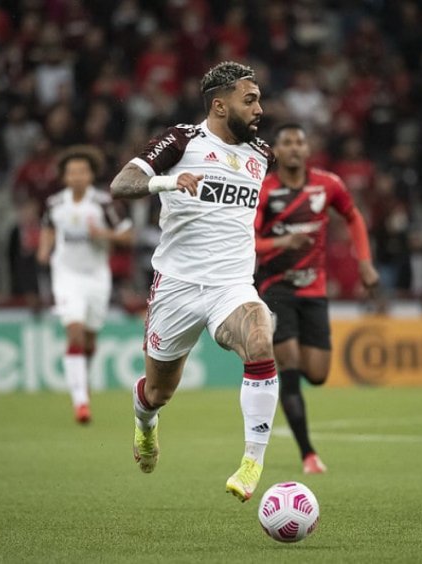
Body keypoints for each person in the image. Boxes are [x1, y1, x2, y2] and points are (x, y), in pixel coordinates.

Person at [109, 61, 279, 503]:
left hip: (232, 286)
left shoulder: (262, 154)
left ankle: (252, 461)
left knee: (260, 340)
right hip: (178, 286)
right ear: (220, 105)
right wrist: (167, 183)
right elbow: (122, 184)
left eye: (258, 98)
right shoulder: (182, 139)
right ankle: (145, 422)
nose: (259, 107)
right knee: (158, 392)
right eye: (250, 99)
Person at [254, 123, 379, 474]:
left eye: (299, 142)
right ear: (276, 150)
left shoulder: (328, 185)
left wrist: (365, 263)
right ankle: (308, 454)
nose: (294, 148)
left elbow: (353, 218)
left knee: (319, 374)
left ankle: (291, 383)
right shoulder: (264, 191)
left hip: (314, 291)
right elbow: (249, 242)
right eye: (287, 142)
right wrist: (281, 243)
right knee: (289, 363)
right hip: (275, 290)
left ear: (307, 150)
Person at [37, 145, 134, 424]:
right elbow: (48, 227)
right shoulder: (55, 204)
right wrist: (45, 250)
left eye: (82, 171)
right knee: (75, 332)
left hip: (96, 277)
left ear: (91, 175)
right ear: (64, 177)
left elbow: (127, 237)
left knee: (90, 337)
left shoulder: (104, 203)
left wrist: (103, 234)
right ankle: (81, 402)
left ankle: (83, 379)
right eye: (72, 172)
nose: (77, 176)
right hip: (66, 276)